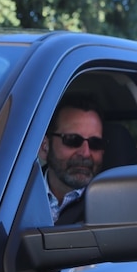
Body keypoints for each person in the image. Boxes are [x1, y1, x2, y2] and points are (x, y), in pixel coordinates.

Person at [40, 92, 106, 224]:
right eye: (72, 140)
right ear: (45, 147)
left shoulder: (113, 206)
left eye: (95, 143)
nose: (85, 153)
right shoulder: (13, 196)